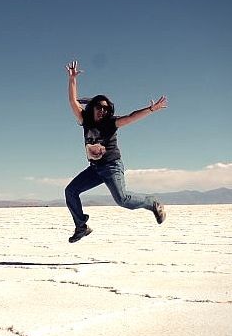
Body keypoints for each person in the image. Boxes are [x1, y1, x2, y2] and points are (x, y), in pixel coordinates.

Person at [64, 59, 168, 243]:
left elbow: (131, 117)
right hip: (95, 169)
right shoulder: (85, 122)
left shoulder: (111, 124)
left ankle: (151, 202)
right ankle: (81, 226)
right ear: (92, 108)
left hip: (111, 167)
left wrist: (151, 109)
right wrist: (72, 79)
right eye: (99, 107)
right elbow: (73, 101)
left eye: (106, 108)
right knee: (71, 191)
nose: (102, 111)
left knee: (123, 199)